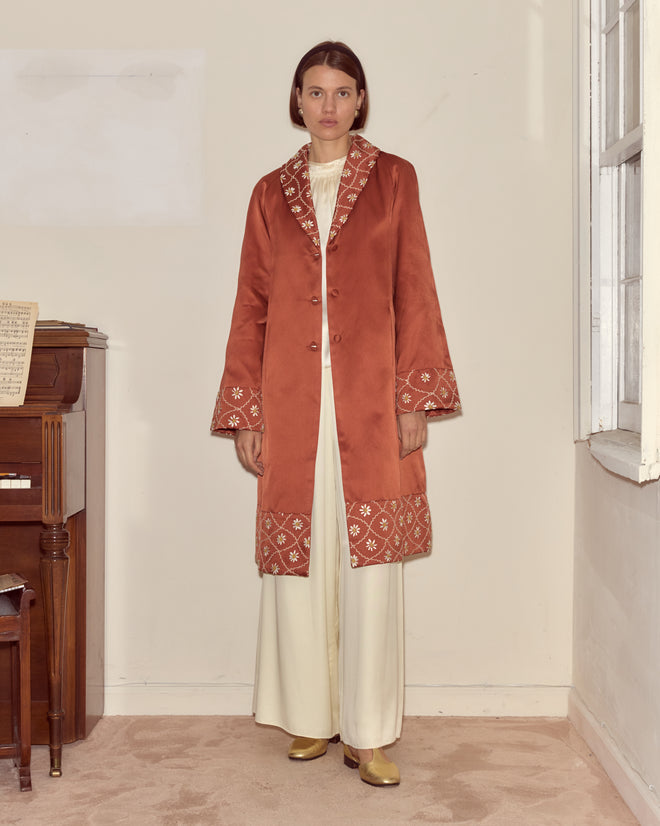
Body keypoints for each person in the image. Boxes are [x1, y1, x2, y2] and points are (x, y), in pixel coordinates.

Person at [211, 41, 460, 787]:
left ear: (360, 101)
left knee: (372, 566)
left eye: (342, 92)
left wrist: (412, 398)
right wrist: (245, 410)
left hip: (371, 395)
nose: (328, 106)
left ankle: (371, 731)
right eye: (314, 92)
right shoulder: (268, 192)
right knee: (301, 563)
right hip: (290, 400)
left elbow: (414, 288)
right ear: (297, 100)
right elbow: (251, 304)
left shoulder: (394, 181)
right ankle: (311, 720)